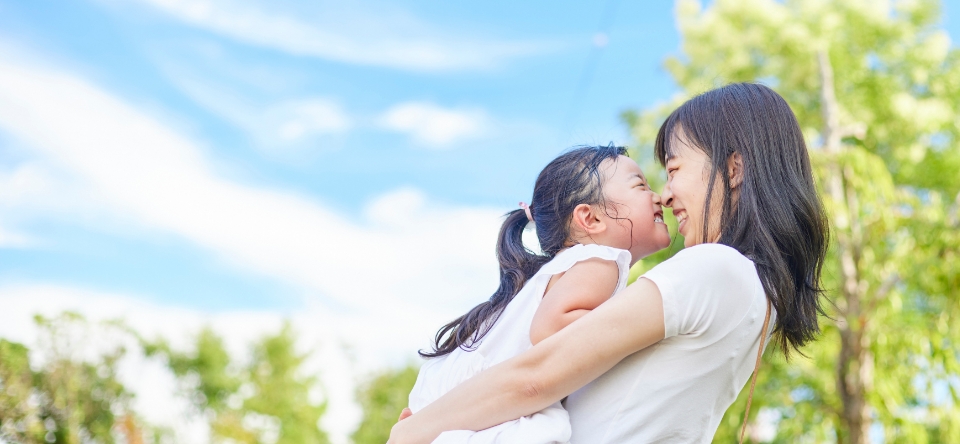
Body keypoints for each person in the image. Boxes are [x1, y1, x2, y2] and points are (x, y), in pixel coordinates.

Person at [388, 83, 829, 444]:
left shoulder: (716, 268)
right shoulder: (751, 292)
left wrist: (412, 433)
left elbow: (536, 375)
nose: (666, 192)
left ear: (733, 169)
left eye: (674, 169)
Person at [407, 145, 671, 443]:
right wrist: (640, 332)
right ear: (591, 219)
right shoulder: (601, 260)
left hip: (451, 407)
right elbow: (551, 327)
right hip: (491, 416)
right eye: (640, 185)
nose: (658, 195)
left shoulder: (556, 272)